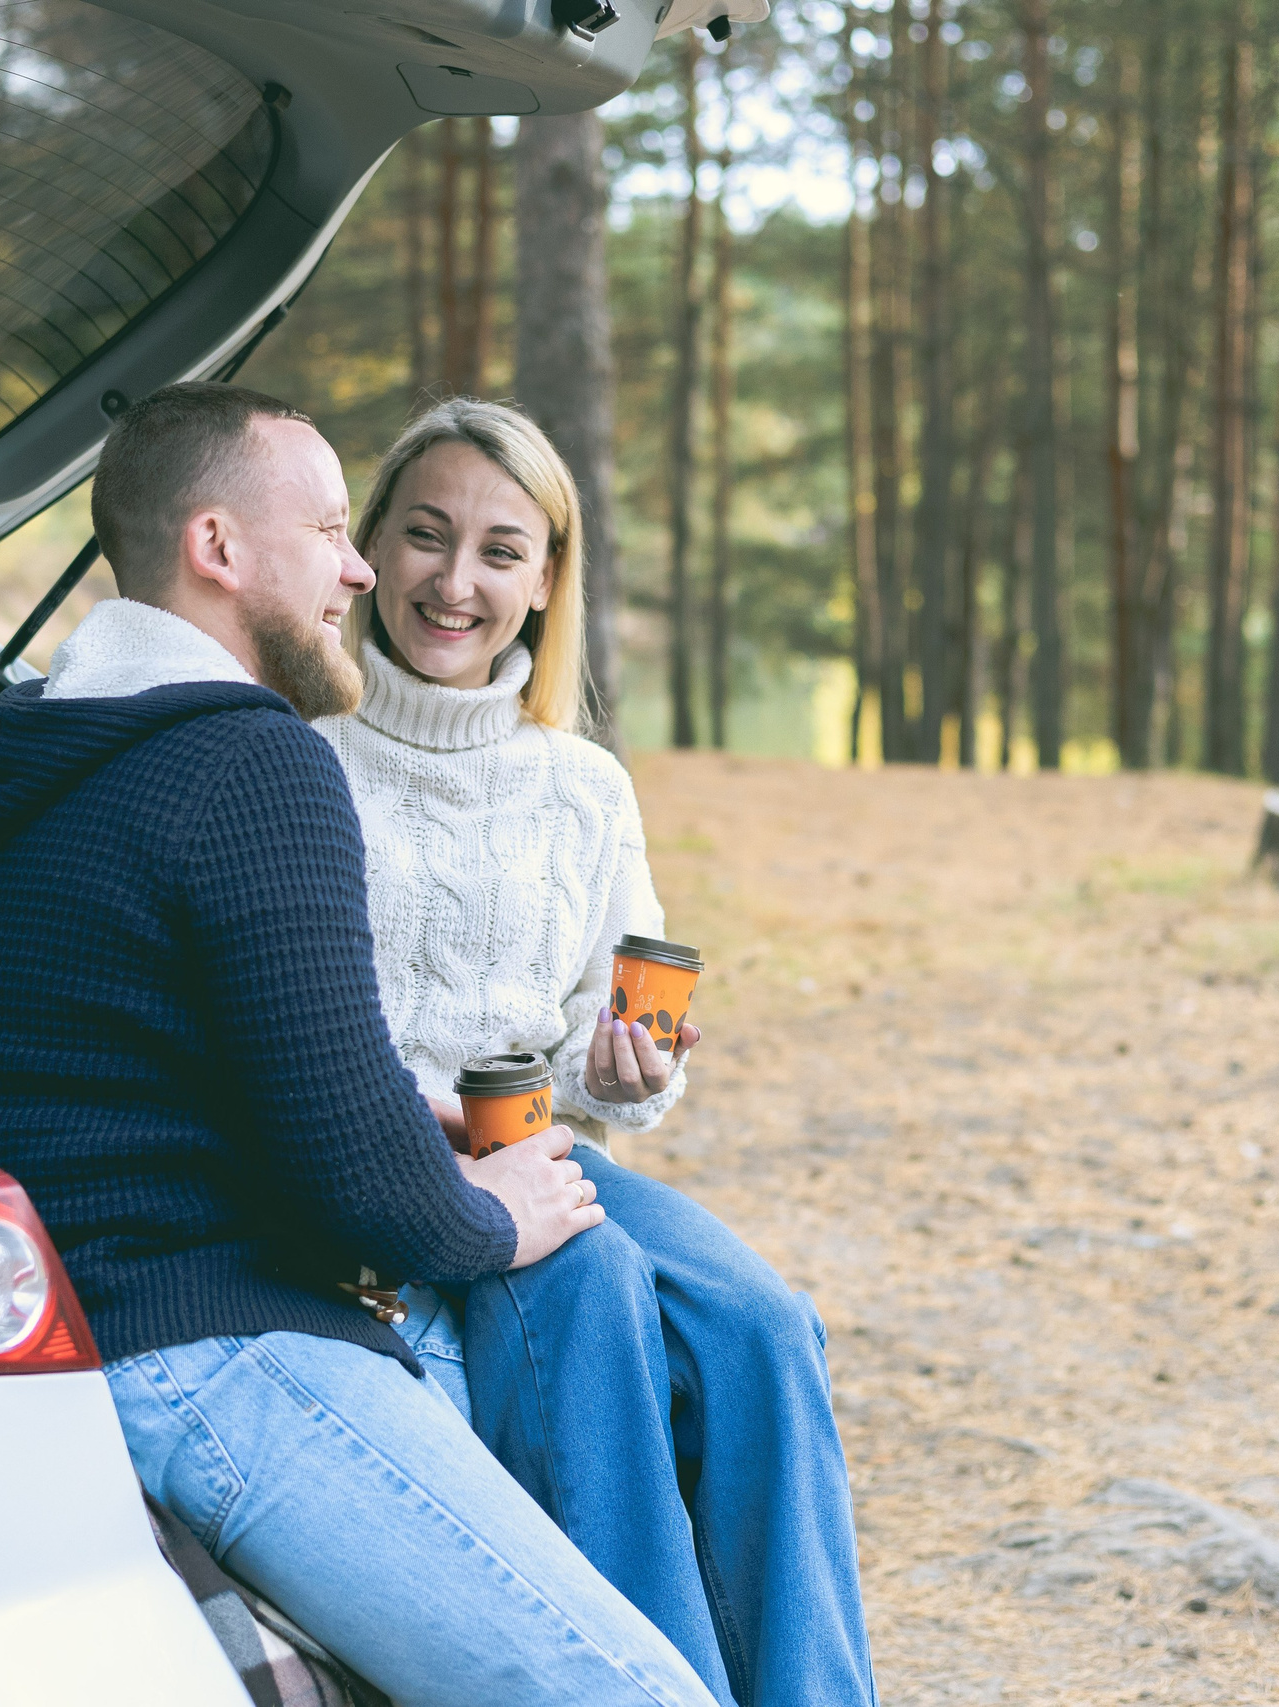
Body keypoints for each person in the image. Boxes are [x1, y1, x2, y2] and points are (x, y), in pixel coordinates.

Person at [0, 382, 722, 1707]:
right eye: (338, 532)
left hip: (72, 1328)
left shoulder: (38, 732)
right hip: (211, 1355)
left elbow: (215, 1070)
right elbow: (363, 1180)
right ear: (220, 550)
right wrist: (489, 1216)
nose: (359, 569)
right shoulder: (252, 762)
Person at [315, 398, 878, 1707]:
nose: (455, 584)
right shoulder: (303, 757)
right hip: (399, 1155)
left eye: (501, 551)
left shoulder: (582, 784)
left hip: (546, 1142)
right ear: (369, 551)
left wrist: (633, 1072)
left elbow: (610, 1029)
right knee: (604, 1300)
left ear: (546, 580)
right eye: (425, 536)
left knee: (761, 1324)